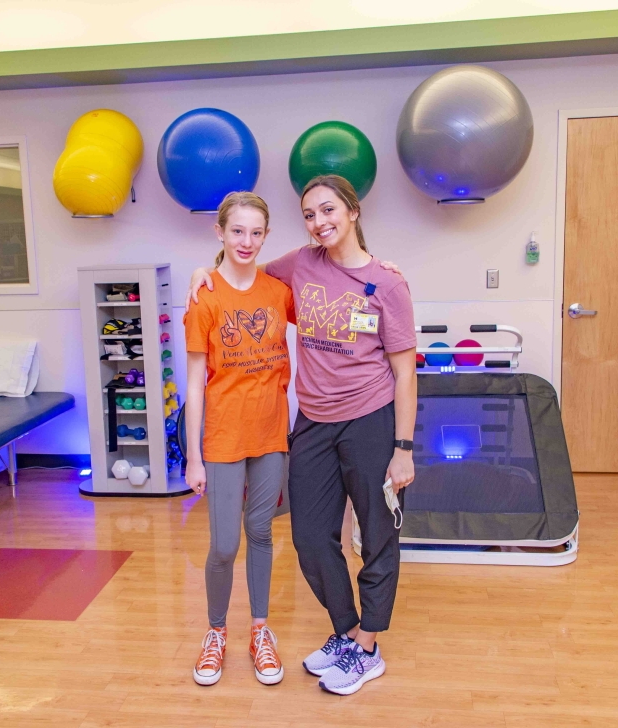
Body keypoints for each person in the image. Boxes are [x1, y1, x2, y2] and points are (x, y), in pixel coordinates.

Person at [187, 175, 417, 695]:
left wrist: (403, 448)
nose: (319, 222)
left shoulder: (389, 283)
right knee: (311, 536)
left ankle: (368, 645)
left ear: (353, 211)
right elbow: (242, 274)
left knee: (376, 536)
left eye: (328, 210)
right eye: (309, 214)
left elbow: (405, 371)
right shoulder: (300, 264)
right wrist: (203, 269)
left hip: (370, 419)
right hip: (312, 422)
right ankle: (346, 628)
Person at [184, 191, 295, 687]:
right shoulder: (204, 297)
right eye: (237, 231)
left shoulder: (277, 292)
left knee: (263, 535)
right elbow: (193, 382)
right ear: (220, 233)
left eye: (256, 232)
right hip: (223, 439)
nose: (246, 241)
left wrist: (380, 269)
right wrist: (193, 457)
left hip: (271, 435)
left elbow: (329, 292)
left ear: (266, 236)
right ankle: (215, 632)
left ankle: (260, 630)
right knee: (225, 544)